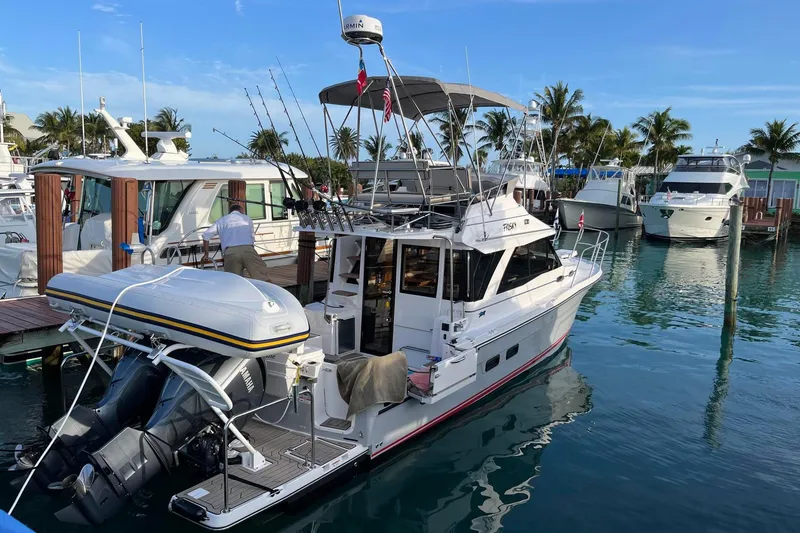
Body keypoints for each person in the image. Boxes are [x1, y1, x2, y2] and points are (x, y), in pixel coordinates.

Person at [201, 203, 271, 281]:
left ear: (230, 211)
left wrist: (206, 254)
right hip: (248, 249)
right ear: (241, 210)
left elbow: (206, 235)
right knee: (262, 278)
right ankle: (268, 292)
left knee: (232, 281)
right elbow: (252, 237)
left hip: (231, 252)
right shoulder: (247, 219)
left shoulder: (222, 220)